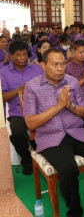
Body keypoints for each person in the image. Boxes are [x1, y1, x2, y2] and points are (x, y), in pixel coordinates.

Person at [23, 48, 84, 216]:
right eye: (55, 65)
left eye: (62, 64)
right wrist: (58, 106)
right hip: (50, 137)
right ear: (43, 66)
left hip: (77, 132)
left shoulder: (72, 82)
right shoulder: (32, 87)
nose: (60, 68)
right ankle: (75, 209)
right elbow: (30, 123)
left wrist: (71, 106)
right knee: (68, 170)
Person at [1, 40, 43, 175]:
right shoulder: (4, 73)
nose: (22, 58)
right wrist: (21, 89)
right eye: (18, 55)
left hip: (39, 109)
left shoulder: (37, 69)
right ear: (11, 56)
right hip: (17, 112)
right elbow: (3, 97)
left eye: (25, 54)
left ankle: (40, 152)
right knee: (18, 133)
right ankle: (26, 159)